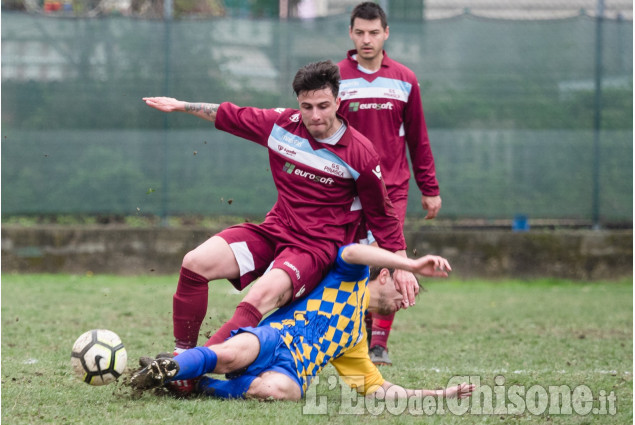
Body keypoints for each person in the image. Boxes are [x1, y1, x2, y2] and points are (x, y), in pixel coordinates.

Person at [142, 60, 419, 392]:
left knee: (260, 295)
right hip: (275, 229)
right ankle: (181, 356)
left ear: (338, 102)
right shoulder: (282, 125)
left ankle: (188, 374)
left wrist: (403, 265)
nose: (315, 115)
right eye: (307, 107)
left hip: (315, 249)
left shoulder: (360, 154)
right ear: (297, 103)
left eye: (323, 106)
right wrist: (181, 106)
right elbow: (230, 114)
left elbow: (383, 216)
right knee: (194, 263)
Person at [130, 243, 474, 402]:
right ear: (385, 276)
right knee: (234, 353)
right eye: (404, 290)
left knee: (282, 392)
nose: (406, 301)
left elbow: (379, 390)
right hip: (273, 339)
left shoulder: (355, 338)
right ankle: (171, 367)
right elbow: (353, 252)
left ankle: (194, 386)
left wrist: (440, 394)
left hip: (290, 371)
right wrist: (409, 264)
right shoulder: (349, 277)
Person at [337, 2, 442, 366]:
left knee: (390, 261)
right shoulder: (335, 78)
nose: (367, 39)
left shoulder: (405, 78)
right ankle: (355, 334)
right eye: (360, 32)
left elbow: (418, 137)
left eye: (374, 32)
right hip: (345, 189)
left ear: (386, 33)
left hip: (392, 189)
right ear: (351, 34)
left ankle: (378, 342)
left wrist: (430, 188)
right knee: (349, 262)